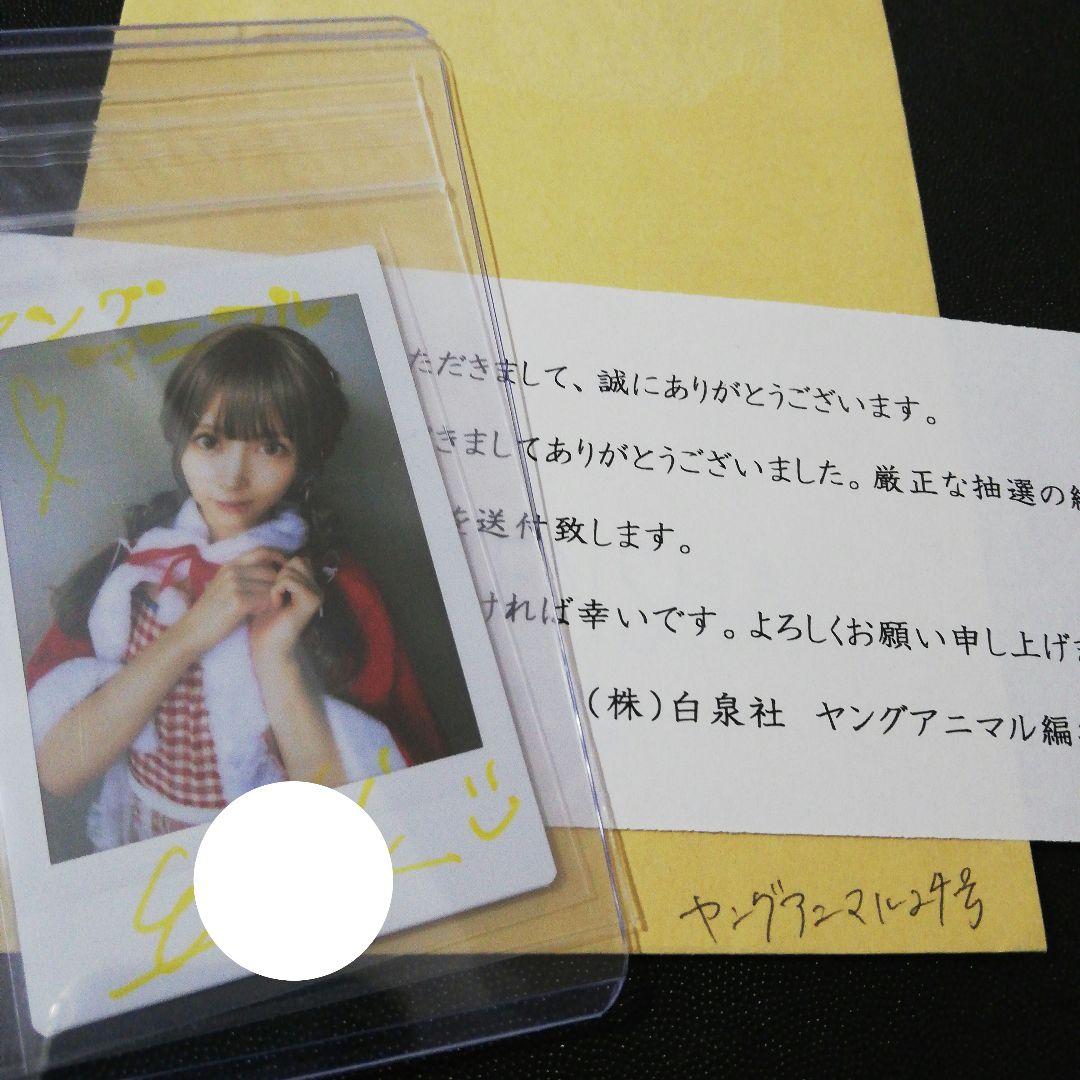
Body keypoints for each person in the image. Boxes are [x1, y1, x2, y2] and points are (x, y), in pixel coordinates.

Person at [24, 323, 444, 852]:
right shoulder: (128, 573)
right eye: (209, 441)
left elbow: (350, 814)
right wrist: (196, 630)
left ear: (304, 460)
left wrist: (276, 655)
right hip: (146, 860)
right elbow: (58, 771)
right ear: (180, 442)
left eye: (270, 447)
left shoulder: (335, 589)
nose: (232, 476)